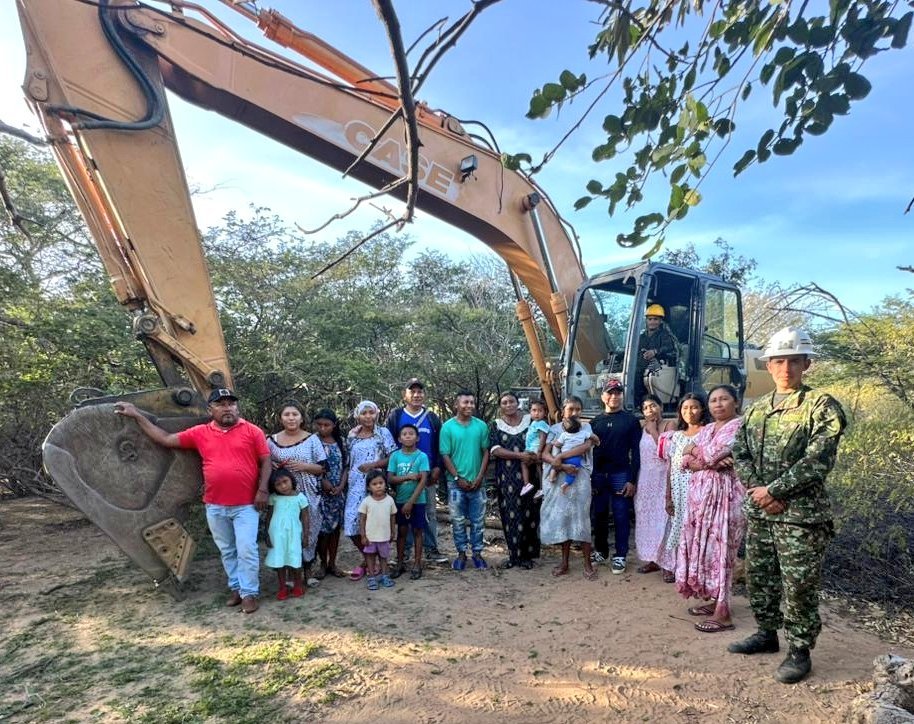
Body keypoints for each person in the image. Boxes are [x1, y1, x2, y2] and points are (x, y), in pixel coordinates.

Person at [729, 327, 847, 684]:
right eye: (779, 361)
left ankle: (799, 650)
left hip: (800, 518)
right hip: (761, 512)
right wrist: (758, 491)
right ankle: (767, 634)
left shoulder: (821, 407)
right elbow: (739, 451)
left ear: (806, 363)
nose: (785, 368)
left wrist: (775, 491)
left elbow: (818, 460)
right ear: (768, 365)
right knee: (761, 578)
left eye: (794, 361)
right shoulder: (757, 410)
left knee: (798, 585)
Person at [113, 388, 270, 614]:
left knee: (246, 549)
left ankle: (249, 593)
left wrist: (263, 490)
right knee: (227, 550)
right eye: (221, 404)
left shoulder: (252, 431)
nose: (227, 408)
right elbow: (165, 439)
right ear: (210, 409)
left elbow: (266, 461)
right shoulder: (200, 433)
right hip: (215, 505)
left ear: (237, 407)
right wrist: (137, 415)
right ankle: (237, 587)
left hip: (246, 505)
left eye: (231, 404)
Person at [675, 384, 746, 634]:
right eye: (714, 400)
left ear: (735, 402)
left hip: (727, 498)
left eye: (724, 399)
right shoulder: (706, 429)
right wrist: (704, 458)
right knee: (706, 551)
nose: (718, 404)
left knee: (724, 551)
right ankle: (716, 600)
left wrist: (695, 452)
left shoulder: (739, 426)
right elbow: (686, 462)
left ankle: (724, 613)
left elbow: (708, 455)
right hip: (701, 500)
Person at [384, 378, 448, 564]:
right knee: (404, 512)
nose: (417, 394)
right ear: (405, 395)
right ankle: (404, 552)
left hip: (427, 476)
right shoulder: (395, 416)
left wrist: (438, 467)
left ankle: (431, 549)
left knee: (429, 512)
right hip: (402, 476)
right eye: (413, 391)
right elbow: (389, 445)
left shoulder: (432, 417)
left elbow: (439, 445)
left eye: (420, 391)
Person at [267, 401, 326, 587]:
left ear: (301, 418)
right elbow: (264, 463)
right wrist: (272, 465)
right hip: (282, 496)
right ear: (280, 418)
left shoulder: (312, 439)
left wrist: (304, 466)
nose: (291, 418)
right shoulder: (270, 441)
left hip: (307, 493)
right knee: (286, 532)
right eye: (287, 414)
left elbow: (323, 467)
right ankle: (292, 575)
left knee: (308, 531)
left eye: (295, 414)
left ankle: (308, 572)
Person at [539, 396, 598, 580]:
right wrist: (561, 465)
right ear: (562, 410)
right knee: (564, 519)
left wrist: (561, 457)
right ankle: (564, 562)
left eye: (578, 409)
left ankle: (587, 563)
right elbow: (545, 454)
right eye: (571, 409)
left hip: (580, 478)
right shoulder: (554, 429)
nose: (575, 413)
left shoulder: (586, 427)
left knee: (582, 518)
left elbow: (586, 446)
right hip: (561, 479)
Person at [591, 378, 642, 575]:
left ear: (622, 395)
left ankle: (620, 554)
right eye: (610, 392)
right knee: (599, 515)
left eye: (617, 392)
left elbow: (636, 453)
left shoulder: (630, 421)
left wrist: (632, 480)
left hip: (621, 474)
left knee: (621, 515)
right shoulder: (595, 422)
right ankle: (601, 551)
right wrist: (591, 476)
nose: (614, 396)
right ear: (603, 396)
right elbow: (590, 452)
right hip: (599, 475)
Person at [658, 393, 709, 582]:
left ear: (702, 409)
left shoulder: (708, 432)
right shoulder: (677, 437)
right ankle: (682, 570)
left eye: (694, 407)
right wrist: (668, 497)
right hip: (679, 492)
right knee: (681, 531)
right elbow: (671, 468)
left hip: (701, 491)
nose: (689, 412)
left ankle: (698, 573)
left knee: (698, 532)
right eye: (685, 408)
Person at [344, 400, 396, 581]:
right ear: (357, 415)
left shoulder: (383, 433)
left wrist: (373, 465)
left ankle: (370, 563)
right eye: (364, 413)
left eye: (371, 412)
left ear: (376, 414)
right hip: (355, 485)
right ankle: (369, 560)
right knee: (352, 523)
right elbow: (347, 461)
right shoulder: (352, 436)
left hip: (376, 484)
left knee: (376, 522)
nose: (368, 416)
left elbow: (393, 456)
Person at [489, 391, 540, 570]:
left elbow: (540, 442)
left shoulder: (531, 421)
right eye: (504, 402)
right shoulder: (496, 425)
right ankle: (514, 555)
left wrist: (533, 457)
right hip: (507, 477)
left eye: (511, 401)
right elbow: (495, 450)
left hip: (529, 474)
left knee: (529, 513)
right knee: (510, 514)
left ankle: (526, 556)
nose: (508, 405)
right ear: (500, 406)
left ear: (518, 403)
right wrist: (520, 455)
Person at [440, 390, 491, 571]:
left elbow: (486, 452)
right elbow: (445, 455)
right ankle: (461, 553)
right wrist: (457, 477)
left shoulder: (481, 426)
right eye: (465, 402)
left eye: (471, 402)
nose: (469, 406)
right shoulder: (447, 427)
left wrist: (479, 477)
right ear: (456, 405)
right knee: (457, 520)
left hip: (478, 482)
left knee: (478, 521)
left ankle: (477, 553)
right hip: (455, 484)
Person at [633, 394, 677, 574]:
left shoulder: (669, 425)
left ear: (660, 407)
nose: (649, 410)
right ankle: (653, 560)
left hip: (663, 479)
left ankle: (668, 566)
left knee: (666, 522)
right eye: (645, 408)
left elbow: (667, 453)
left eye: (653, 405)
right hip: (645, 481)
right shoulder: (643, 427)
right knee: (646, 522)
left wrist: (653, 431)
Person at [387, 424, 429, 580]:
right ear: (399, 438)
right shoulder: (395, 456)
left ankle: (417, 564)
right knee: (402, 532)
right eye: (404, 434)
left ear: (417, 438)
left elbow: (423, 479)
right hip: (399, 499)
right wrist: (408, 477)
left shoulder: (422, 456)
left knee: (418, 531)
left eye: (411, 433)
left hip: (418, 501)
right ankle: (400, 563)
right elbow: (390, 478)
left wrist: (411, 502)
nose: (408, 436)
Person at [264, 467, 309, 600]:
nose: (283, 486)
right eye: (278, 484)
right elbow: (269, 516)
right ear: (274, 487)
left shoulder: (300, 497)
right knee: (280, 560)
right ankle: (283, 587)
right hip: (277, 534)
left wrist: (306, 536)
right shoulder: (273, 498)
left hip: (294, 534)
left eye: (285, 481)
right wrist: (266, 534)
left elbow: (305, 518)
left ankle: (298, 585)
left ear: (291, 480)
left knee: (295, 559)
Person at [313, 409, 348, 579]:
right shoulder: (313, 441)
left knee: (334, 530)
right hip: (320, 493)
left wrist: (341, 485)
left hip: (337, 493)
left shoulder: (341, 442)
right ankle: (322, 562)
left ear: (334, 425)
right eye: (319, 425)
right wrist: (323, 481)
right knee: (322, 530)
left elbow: (346, 466)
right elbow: (310, 466)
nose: (322, 428)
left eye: (326, 425)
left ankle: (333, 563)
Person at [358, 471, 397, 590]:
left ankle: (384, 575)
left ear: (385, 484)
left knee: (383, 557)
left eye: (381, 483)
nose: (378, 486)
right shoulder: (366, 501)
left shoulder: (389, 500)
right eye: (374, 484)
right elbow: (362, 519)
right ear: (369, 487)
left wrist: (392, 531)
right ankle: (372, 577)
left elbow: (392, 516)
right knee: (370, 557)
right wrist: (363, 535)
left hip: (384, 536)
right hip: (370, 537)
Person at [635, 303, 679, 405]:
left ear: (660, 321)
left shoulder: (664, 335)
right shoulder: (642, 336)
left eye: (655, 319)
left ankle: (637, 402)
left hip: (658, 363)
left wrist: (655, 352)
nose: (652, 322)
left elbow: (669, 347)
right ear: (646, 321)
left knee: (636, 372)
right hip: (642, 361)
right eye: (649, 319)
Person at [548, 416, 589, 493]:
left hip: (564, 458)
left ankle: (552, 477)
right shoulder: (583, 433)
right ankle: (566, 484)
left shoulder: (564, 435)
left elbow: (558, 444)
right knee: (572, 473)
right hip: (576, 459)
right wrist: (597, 441)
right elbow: (591, 439)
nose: (574, 413)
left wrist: (554, 442)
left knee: (555, 466)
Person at [521, 398, 550, 497]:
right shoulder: (534, 423)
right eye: (534, 410)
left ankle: (526, 484)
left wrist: (539, 451)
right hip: (532, 449)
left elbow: (543, 438)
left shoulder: (542, 424)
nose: (537, 413)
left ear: (545, 413)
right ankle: (542, 488)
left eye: (540, 411)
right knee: (539, 469)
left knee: (524, 462)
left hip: (535, 450)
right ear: (530, 411)